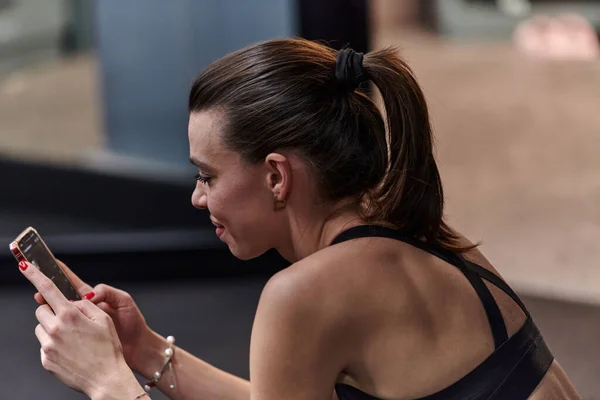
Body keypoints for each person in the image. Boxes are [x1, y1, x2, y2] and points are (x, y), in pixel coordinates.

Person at [20, 38, 580, 399]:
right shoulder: (429, 236)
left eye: (207, 175)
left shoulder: (302, 295)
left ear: (276, 176)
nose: (196, 197)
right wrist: (142, 351)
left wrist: (108, 383)